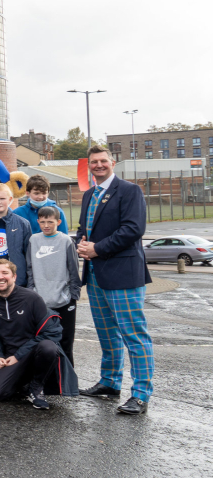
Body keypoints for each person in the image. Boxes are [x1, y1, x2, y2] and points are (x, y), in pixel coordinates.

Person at [74, 145, 153, 415]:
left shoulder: (130, 191)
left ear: (113, 163)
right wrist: (80, 242)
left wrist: (97, 249)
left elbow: (133, 229)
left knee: (134, 336)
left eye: (103, 161)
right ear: (89, 166)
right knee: (107, 334)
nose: (98, 165)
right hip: (96, 275)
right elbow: (84, 229)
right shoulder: (89, 194)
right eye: (94, 162)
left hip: (123, 274)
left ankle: (140, 395)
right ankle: (110, 382)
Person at [0, 259, 79, 409]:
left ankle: (36, 388)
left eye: (5, 273)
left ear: (14, 276)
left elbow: (52, 333)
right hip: (8, 357)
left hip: (32, 353)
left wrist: (18, 356)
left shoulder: (32, 298)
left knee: (49, 347)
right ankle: (22, 382)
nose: (0, 277)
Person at [27, 206, 81, 365]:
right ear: (38, 221)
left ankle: (67, 376)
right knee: (41, 341)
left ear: (58, 222)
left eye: (50, 222)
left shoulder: (66, 241)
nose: (46, 225)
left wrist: (73, 296)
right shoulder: (33, 240)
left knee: (66, 341)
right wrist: (31, 291)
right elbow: (29, 268)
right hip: (40, 300)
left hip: (64, 300)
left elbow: (74, 270)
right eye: (43, 222)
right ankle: (45, 376)